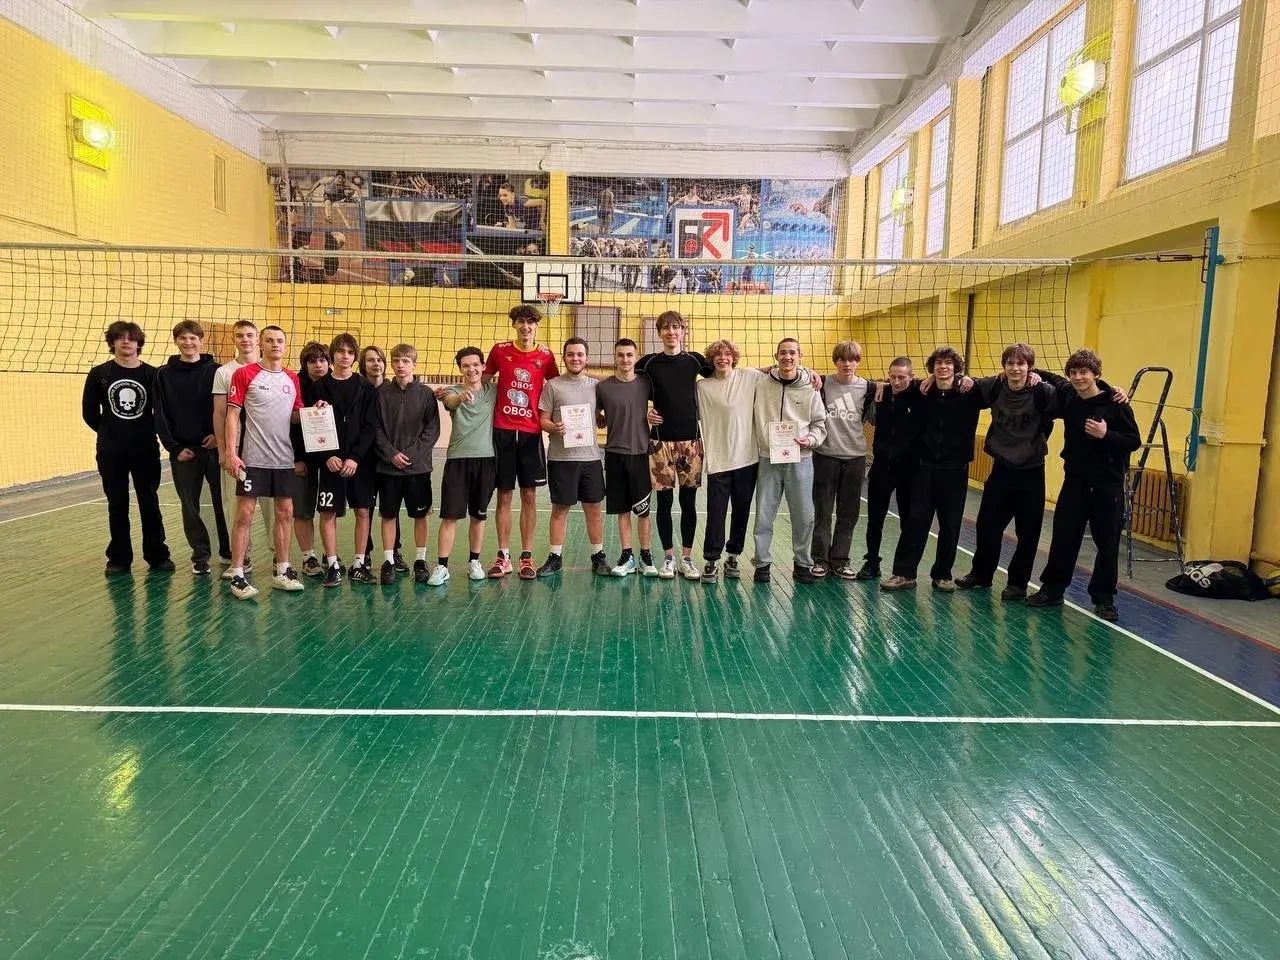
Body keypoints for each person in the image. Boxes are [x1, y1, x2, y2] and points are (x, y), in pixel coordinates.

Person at [1027, 349, 1141, 621]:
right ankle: (1053, 590)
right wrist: (1030, 373)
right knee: (1064, 538)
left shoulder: (1116, 404)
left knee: (1107, 544)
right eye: (1074, 373)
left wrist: (1106, 435)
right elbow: (1051, 377)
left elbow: (1133, 441)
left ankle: (1104, 598)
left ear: (1096, 374)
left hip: (1107, 485)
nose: (1078, 377)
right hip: (1075, 482)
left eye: (1084, 372)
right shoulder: (1069, 395)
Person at [881, 346, 980, 593]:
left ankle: (943, 575)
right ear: (932, 368)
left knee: (950, 525)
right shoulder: (922, 391)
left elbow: (999, 384)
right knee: (915, 521)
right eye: (938, 363)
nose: (943, 367)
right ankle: (904, 573)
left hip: (955, 469)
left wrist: (970, 380)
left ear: (956, 367)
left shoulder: (970, 392)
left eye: (948, 363)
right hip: (924, 467)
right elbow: (897, 383)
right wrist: (879, 386)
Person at [81, 320, 173, 575]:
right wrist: (111, 432)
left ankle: (157, 555)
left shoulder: (152, 375)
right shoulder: (99, 374)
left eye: (131, 338)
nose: (126, 342)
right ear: (112, 342)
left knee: (149, 501)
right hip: (111, 451)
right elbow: (89, 413)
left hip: (145, 449)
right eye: (120, 337)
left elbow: (162, 412)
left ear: (138, 343)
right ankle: (119, 558)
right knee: (117, 503)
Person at [224, 325, 305, 600]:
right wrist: (231, 453)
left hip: (283, 459)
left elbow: (295, 416)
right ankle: (238, 573)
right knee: (245, 514)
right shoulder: (244, 373)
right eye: (269, 340)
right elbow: (232, 415)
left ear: (285, 345)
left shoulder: (292, 378)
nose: (275, 344)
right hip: (253, 459)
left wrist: (315, 413)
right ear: (261, 344)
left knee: (285, 512)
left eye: (279, 340)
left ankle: (282, 571)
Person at [484, 304, 559, 580]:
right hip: (502, 431)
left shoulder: (546, 355)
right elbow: (481, 381)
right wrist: (455, 391)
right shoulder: (499, 351)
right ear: (514, 325)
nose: (525, 327)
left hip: (530, 433)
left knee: (529, 495)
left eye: (530, 322)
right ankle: (503, 556)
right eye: (520, 322)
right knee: (504, 495)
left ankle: (526, 557)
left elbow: (557, 388)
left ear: (536, 326)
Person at [636, 311, 709, 580]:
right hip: (660, 443)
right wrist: (645, 412)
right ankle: (668, 558)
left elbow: (728, 372)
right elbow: (629, 388)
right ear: (659, 333)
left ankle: (687, 558)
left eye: (676, 327)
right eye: (666, 328)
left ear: (683, 330)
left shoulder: (695, 361)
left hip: (691, 443)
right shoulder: (648, 363)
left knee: (688, 502)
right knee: (664, 502)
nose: (671, 332)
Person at [154, 319, 227, 575]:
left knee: (223, 501)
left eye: (193, 338)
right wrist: (173, 448)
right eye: (183, 338)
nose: (188, 343)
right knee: (189, 505)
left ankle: (228, 551)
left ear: (201, 341)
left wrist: (219, 437)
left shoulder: (217, 371)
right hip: (184, 452)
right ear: (176, 341)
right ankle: (201, 555)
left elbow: (226, 410)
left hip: (214, 447)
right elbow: (160, 413)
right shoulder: (163, 374)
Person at [751, 338, 827, 584]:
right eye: (783, 353)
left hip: (801, 460)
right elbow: (740, 373)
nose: (787, 357)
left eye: (792, 353)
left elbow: (819, 423)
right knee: (764, 515)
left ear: (800, 356)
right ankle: (762, 563)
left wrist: (810, 440)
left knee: (804, 516)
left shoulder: (811, 387)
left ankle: (802, 563)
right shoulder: (761, 383)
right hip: (768, 458)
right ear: (776, 356)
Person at [309, 333, 378, 588]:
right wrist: (326, 455)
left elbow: (370, 426)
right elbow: (312, 426)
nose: (345, 356)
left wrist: (355, 457)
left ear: (355, 356)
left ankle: (359, 564)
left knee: (363, 510)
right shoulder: (319, 387)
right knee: (328, 512)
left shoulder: (366, 387)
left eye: (350, 352)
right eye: (340, 351)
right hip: (331, 462)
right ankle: (333, 565)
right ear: (333, 355)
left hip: (359, 463)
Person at [696, 339, 767, 583]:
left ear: (734, 357)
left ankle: (733, 555)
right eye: (717, 354)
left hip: (747, 459)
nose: (722, 358)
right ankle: (711, 559)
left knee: (741, 511)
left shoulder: (750, 376)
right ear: (711, 359)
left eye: (727, 354)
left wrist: (809, 372)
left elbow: (778, 370)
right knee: (716, 512)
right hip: (718, 460)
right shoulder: (702, 387)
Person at [536, 338, 608, 577]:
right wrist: (553, 427)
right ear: (564, 358)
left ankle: (598, 557)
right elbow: (543, 419)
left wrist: (602, 419)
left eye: (579, 354)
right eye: (570, 354)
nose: (575, 358)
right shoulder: (553, 386)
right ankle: (555, 557)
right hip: (561, 459)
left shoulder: (596, 386)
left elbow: (602, 415)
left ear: (587, 359)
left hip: (590, 458)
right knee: (560, 509)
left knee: (594, 509)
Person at [372, 344, 441, 586]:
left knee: (420, 515)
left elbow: (432, 430)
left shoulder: (426, 394)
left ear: (414, 364)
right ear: (391, 364)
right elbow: (376, 429)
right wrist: (391, 454)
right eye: (396, 361)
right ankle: (389, 561)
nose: (400, 365)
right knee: (388, 514)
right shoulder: (381, 393)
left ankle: (420, 560)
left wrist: (410, 455)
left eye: (405, 361)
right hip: (388, 468)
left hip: (418, 468)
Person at [430, 347, 498, 585]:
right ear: (460, 369)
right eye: (466, 366)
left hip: (486, 459)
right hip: (457, 460)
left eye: (475, 365)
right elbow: (449, 402)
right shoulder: (453, 391)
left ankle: (474, 562)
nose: (471, 369)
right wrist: (459, 398)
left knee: (479, 515)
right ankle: (442, 566)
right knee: (450, 516)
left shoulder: (493, 390)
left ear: (483, 367)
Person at [212, 320, 274, 577]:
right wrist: (224, 451)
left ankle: (278, 556)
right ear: (234, 340)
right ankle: (241, 557)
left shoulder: (271, 370)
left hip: (268, 448)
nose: (245, 340)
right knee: (235, 503)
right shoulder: (224, 372)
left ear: (257, 339)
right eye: (240, 336)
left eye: (250, 335)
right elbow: (220, 413)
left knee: (272, 502)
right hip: (237, 448)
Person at [810, 340, 873, 579]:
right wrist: (809, 371)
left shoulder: (868, 388)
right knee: (823, 511)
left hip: (855, 458)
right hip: (825, 456)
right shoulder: (821, 383)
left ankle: (840, 560)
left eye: (852, 359)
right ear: (835, 361)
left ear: (858, 361)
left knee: (848, 513)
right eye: (842, 359)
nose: (847, 364)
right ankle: (820, 559)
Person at [595, 338, 658, 577]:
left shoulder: (645, 384)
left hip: (641, 454)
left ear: (636, 357)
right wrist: (599, 418)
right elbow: (595, 411)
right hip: (614, 454)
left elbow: (666, 402)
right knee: (622, 510)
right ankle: (627, 555)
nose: (625, 359)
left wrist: (654, 415)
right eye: (620, 355)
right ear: (615, 357)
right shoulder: (603, 387)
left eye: (629, 355)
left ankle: (645, 556)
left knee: (643, 511)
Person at [857, 357, 916, 581]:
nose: (897, 381)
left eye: (902, 377)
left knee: (908, 522)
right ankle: (872, 562)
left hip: (908, 471)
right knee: (875, 519)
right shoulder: (881, 394)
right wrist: (881, 385)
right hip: (882, 467)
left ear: (911, 376)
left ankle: (904, 569)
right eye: (892, 377)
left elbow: (942, 380)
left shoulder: (921, 394)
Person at [359, 345, 403, 571]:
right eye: (370, 360)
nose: (376, 364)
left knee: (391, 508)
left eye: (379, 360)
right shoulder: (359, 388)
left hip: (387, 460)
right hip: (365, 459)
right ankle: (364, 552)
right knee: (364, 508)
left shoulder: (393, 390)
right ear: (362, 364)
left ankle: (394, 551)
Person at [290, 341, 330, 578]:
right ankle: (308, 557)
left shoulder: (334, 384)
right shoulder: (293, 384)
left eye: (322, 360)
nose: (318, 365)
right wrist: (295, 459)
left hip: (329, 459)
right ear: (305, 364)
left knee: (329, 509)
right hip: (302, 459)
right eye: (312, 361)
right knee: (303, 510)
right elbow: (286, 425)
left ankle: (329, 554)